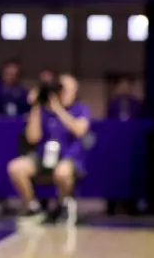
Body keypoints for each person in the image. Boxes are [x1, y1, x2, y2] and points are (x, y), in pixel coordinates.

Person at [7, 73, 91, 226]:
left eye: (68, 90)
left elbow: (79, 130)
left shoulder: (80, 109)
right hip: (43, 158)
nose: (64, 93)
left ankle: (65, 204)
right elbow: (33, 137)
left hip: (68, 159)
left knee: (62, 171)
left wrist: (58, 109)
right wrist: (36, 105)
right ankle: (33, 207)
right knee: (16, 167)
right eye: (61, 89)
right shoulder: (43, 111)